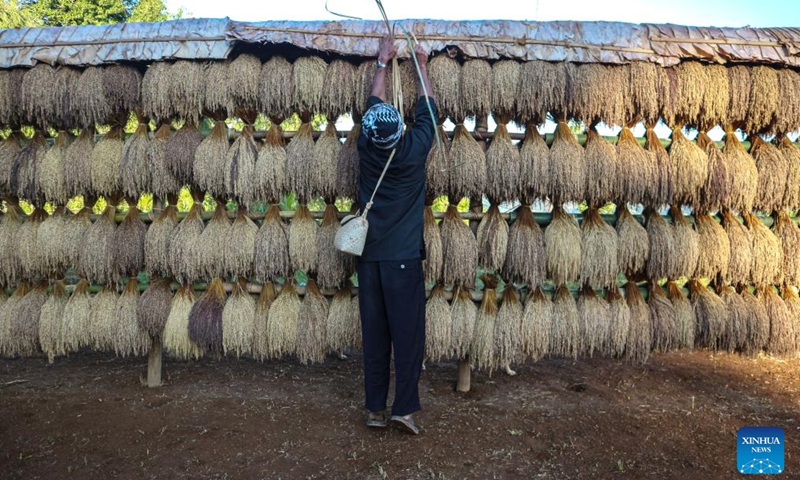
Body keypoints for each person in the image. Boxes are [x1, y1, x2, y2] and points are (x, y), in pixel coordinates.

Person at [356, 34, 437, 435]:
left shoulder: (366, 148)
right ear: (401, 129)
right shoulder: (415, 148)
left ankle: (374, 408)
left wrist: (382, 63)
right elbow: (429, 113)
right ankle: (403, 409)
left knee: (375, 335)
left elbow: (373, 103)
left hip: (369, 259)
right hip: (403, 260)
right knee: (407, 336)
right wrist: (420, 65)